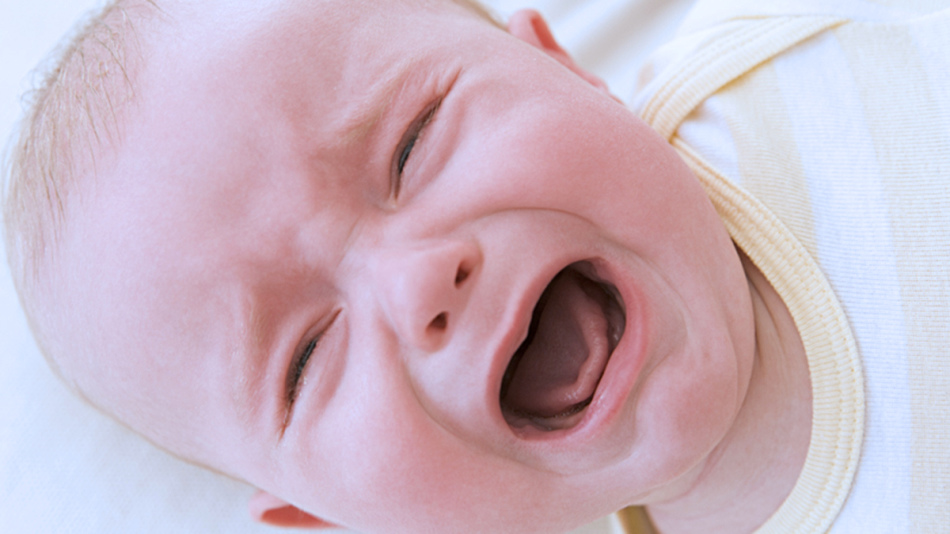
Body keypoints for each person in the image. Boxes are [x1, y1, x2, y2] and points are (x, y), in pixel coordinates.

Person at [2, 0, 945, 533]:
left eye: (412, 145)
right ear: (329, 520)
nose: (418, 286)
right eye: (303, 359)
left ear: (566, 68)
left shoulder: (829, 49)